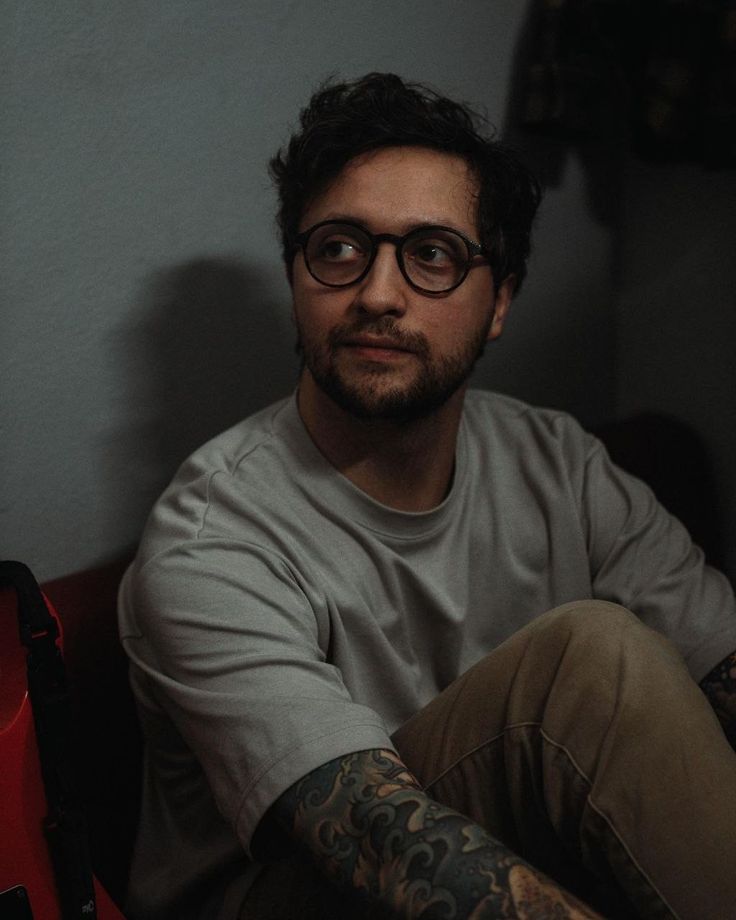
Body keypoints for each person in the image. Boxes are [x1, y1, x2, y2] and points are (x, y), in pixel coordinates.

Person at [118, 73, 736, 920]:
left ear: (500, 303)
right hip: (314, 890)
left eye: (432, 255)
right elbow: (374, 835)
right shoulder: (209, 540)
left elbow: (721, 673)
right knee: (594, 658)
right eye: (338, 247)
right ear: (297, 280)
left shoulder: (557, 461)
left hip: (525, 854)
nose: (376, 293)